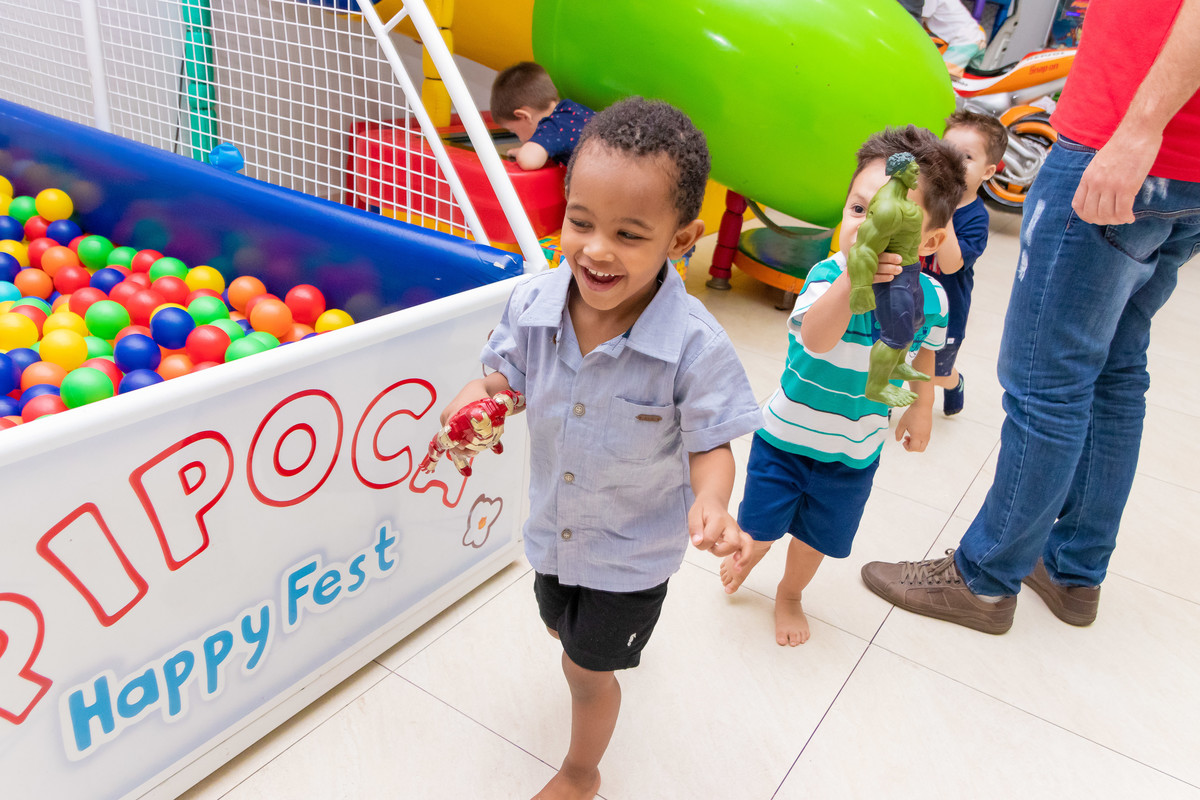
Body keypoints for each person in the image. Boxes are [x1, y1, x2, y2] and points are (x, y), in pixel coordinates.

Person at [435, 97, 763, 799]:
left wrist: (712, 500)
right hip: (554, 533)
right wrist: (476, 401)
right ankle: (583, 647)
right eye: (580, 221)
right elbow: (503, 377)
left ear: (682, 240)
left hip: (630, 557)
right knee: (557, 622)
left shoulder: (693, 346)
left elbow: (712, 442)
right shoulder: (533, 305)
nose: (596, 249)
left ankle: (582, 772)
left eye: (629, 233)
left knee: (587, 673)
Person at [861, 0, 1200, 635]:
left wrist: (1137, 132)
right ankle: (1073, 569)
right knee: (1114, 370)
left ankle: (984, 578)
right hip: (1180, 167)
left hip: (1121, 145)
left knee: (1048, 376)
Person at [720, 125, 965, 646]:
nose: (865, 228)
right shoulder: (826, 277)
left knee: (815, 539)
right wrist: (852, 282)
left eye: (889, 221)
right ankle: (753, 552)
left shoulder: (932, 300)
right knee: (759, 528)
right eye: (858, 211)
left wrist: (921, 409)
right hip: (785, 439)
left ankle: (790, 594)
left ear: (929, 241)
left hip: (853, 454)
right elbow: (816, 338)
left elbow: (925, 355)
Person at [922, 109, 1007, 415]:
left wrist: (944, 211)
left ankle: (955, 382)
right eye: (946, 152)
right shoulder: (921, 196)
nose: (953, 162)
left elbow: (950, 265)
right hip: (907, 297)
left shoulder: (975, 218)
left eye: (967, 156)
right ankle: (886, 406)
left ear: (987, 171)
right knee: (893, 359)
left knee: (936, 372)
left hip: (947, 309)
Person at [490, 61, 595, 171]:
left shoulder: (554, 126)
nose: (520, 138)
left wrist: (524, 151)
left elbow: (528, 161)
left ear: (524, 116)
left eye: (514, 131)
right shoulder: (572, 109)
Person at [921, 0, 987, 76]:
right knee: (971, 78)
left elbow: (921, 17)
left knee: (939, 75)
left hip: (965, 42)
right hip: (978, 39)